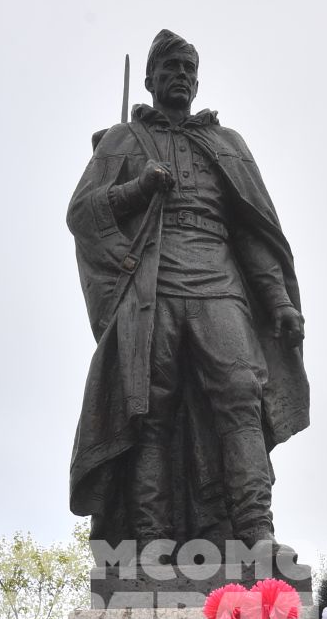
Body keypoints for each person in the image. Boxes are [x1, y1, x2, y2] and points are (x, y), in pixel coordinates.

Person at [67, 29, 308, 550]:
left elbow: (252, 228)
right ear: (150, 79)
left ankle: (255, 535)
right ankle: (150, 544)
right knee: (149, 412)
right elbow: (83, 213)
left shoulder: (227, 144)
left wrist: (280, 300)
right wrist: (139, 186)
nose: (180, 76)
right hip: (151, 287)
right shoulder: (122, 141)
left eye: (188, 69)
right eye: (170, 68)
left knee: (242, 398)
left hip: (220, 284)